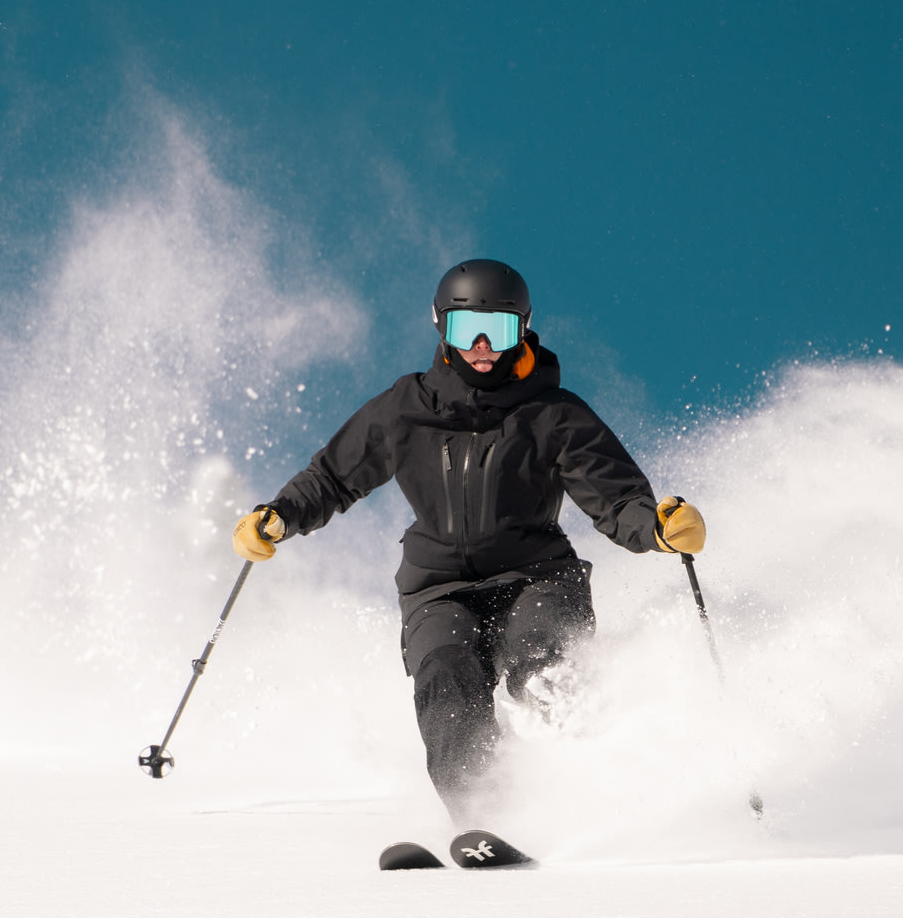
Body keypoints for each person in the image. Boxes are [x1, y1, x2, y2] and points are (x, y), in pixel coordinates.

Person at [230, 258, 705, 820]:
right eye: (465, 330)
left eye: (499, 330)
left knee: (544, 666)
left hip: (538, 577)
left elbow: (615, 497)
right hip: (438, 588)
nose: (482, 346)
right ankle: (482, 815)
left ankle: (597, 795)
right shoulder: (404, 409)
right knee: (445, 680)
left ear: (523, 330)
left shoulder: (554, 414)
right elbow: (335, 476)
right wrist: (280, 515)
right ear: (441, 328)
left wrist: (656, 526)